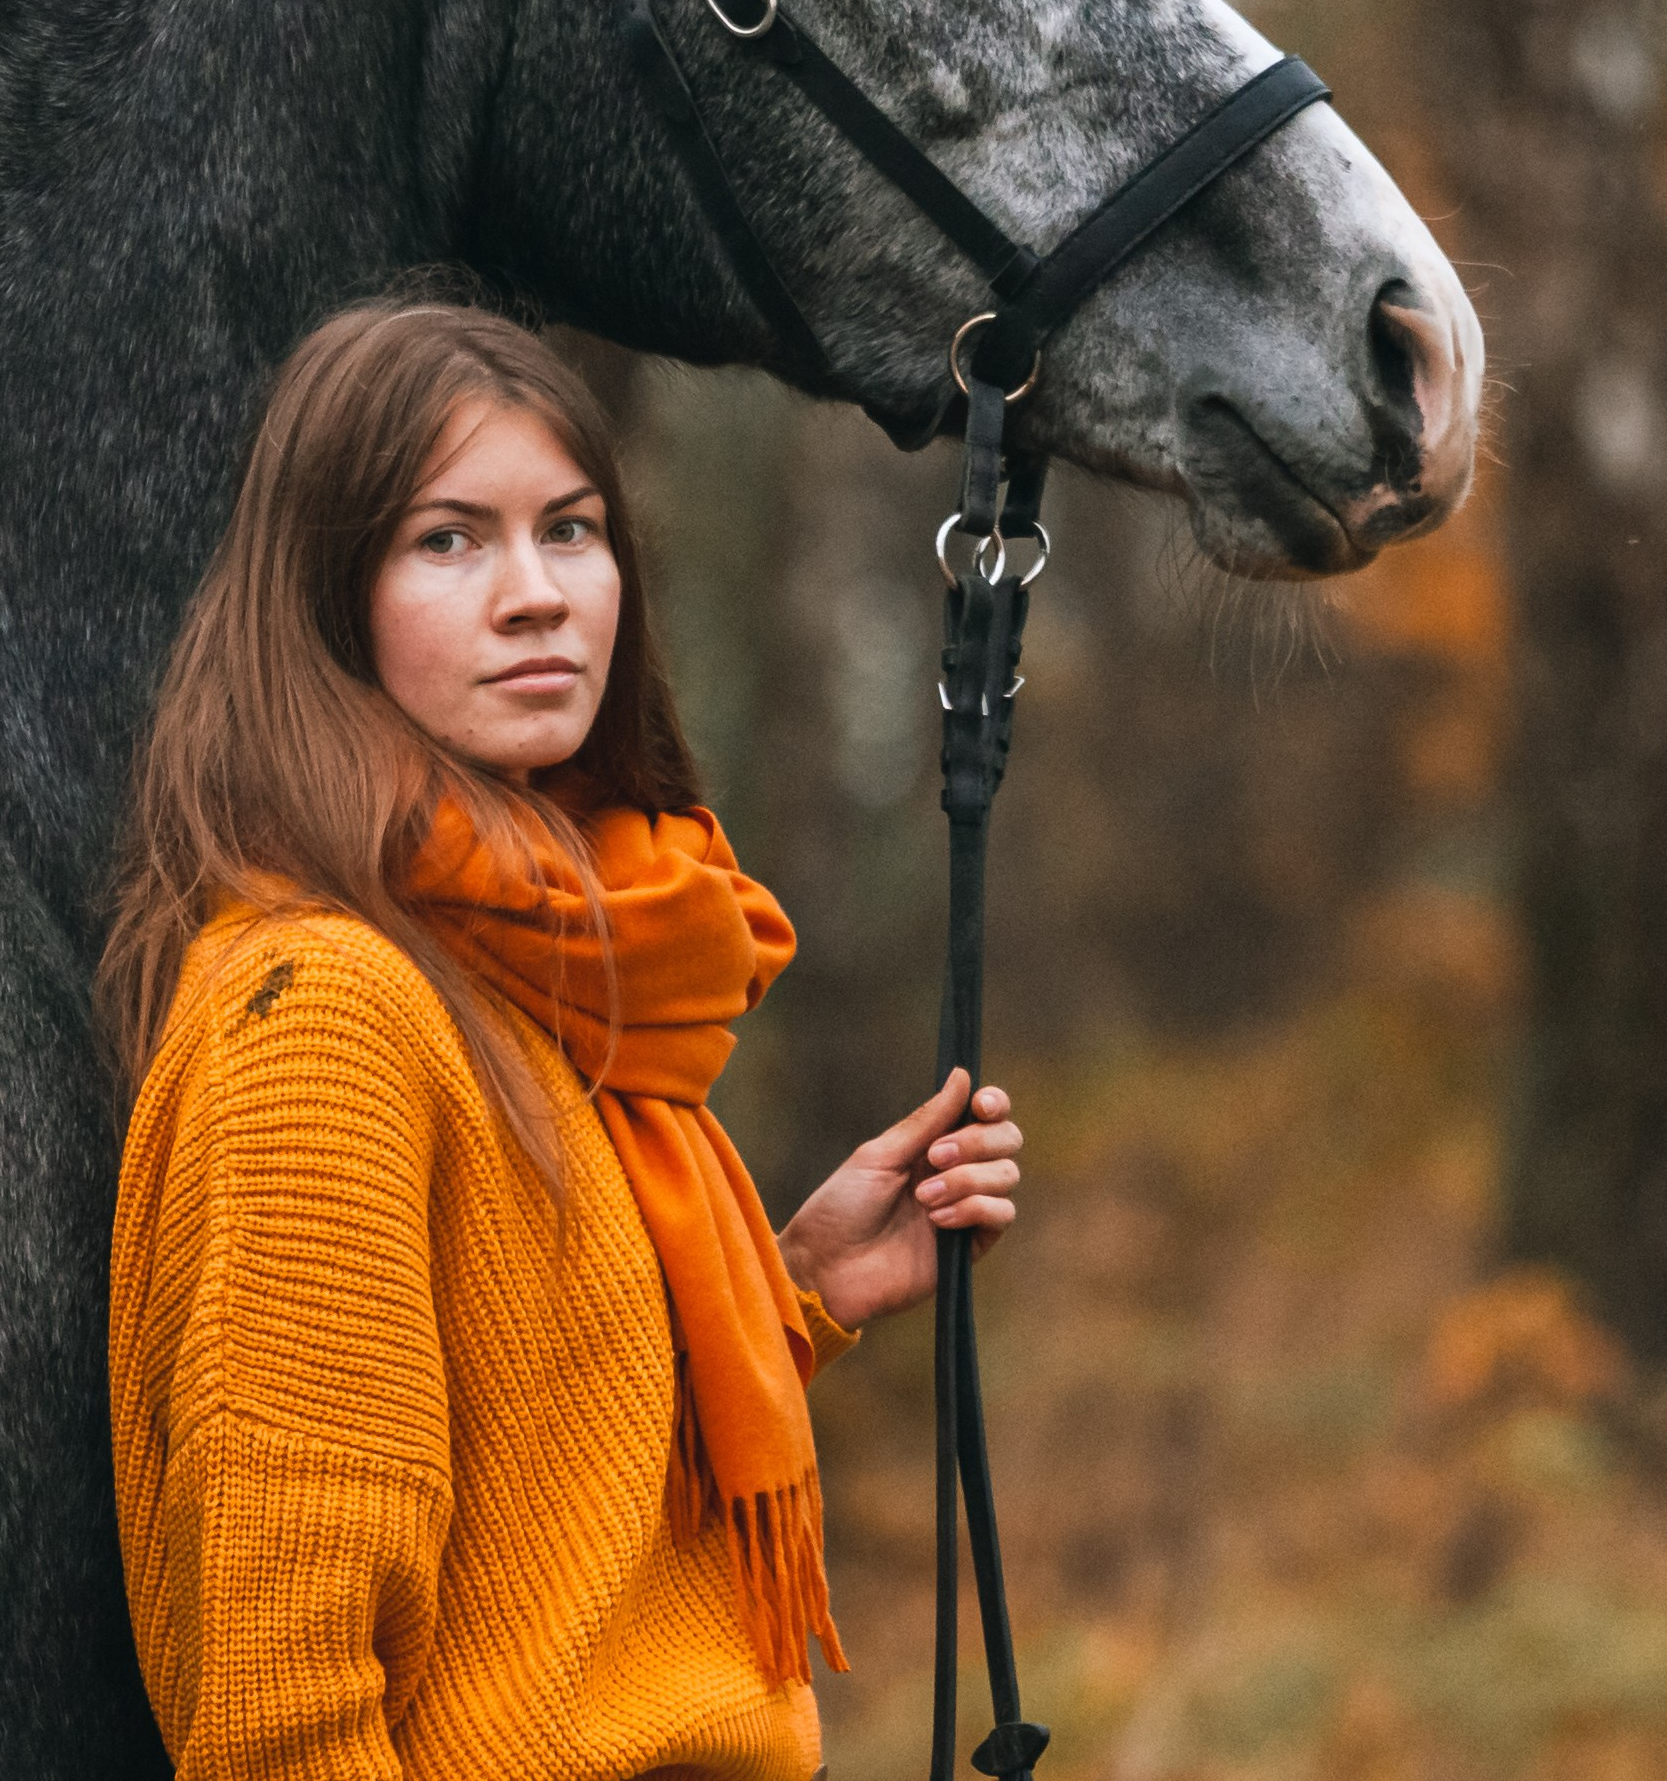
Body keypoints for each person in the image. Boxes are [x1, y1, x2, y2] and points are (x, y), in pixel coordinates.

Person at [97, 297, 1022, 1781]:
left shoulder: (542, 986)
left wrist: (793, 1290)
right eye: (447, 539)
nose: (536, 594)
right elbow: (281, 1716)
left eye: (571, 530)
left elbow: (542, 1492)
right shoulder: (323, 1013)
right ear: (329, 600)